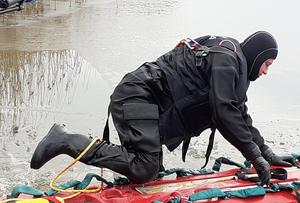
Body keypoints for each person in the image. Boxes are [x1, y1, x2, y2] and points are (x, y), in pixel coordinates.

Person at [30, 31, 296, 185]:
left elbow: (240, 116)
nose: (265, 71)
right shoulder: (226, 59)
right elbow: (223, 112)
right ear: (258, 56)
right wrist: (253, 155)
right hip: (137, 96)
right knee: (144, 168)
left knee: (149, 170)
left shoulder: (231, 67)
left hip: (144, 100)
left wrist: (267, 153)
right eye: (267, 63)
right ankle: (65, 140)